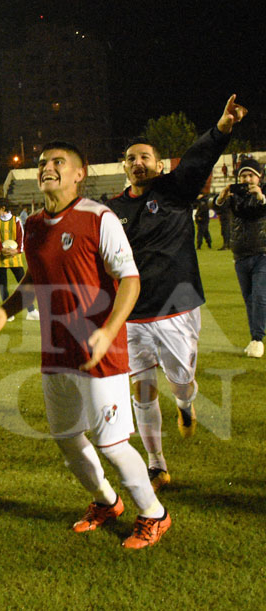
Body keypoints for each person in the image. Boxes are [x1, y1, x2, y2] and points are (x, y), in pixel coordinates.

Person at [0, 141, 170, 549]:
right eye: (44, 163)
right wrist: (4, 311)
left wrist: (109, 329)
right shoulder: (32, 226)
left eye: (58, 162)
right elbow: (35, 279)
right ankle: (106, 502)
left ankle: (154, 513)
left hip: (102, 351)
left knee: (113, 444)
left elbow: (130, 280)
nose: (48, 168)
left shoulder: (99, 218)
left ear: (79, 173)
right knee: (67, 440)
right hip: (56, 351)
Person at [106, 95, 245, 490]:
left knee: (181, 381)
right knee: (142, 389)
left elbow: (199, 158)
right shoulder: (111, 209)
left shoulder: (174, 191)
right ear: (124, 167)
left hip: (177, 310)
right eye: (131, 158)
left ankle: (185, 404)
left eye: (145, 157)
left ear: (160, 164)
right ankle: (155, 462)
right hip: (133, 315)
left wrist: (221, 129)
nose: (138, 163)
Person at [215, 157, 266, 358]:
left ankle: (257, 340)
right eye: (243, 175)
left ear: (259, 177)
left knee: (260, 296)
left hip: (263, 253)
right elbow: (213, 206)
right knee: (250, 300)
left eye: (250, 175)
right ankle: (254, 339)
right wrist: (221, 197)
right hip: (240, 256)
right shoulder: (234, 198)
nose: (246, 179)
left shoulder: (263, 193)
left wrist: (261, 197)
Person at [0, 199, 37, 321]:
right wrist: (2, 249)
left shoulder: (16, 220)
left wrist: (17, 251)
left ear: (3, 208)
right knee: (3, 285)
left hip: (15, 256)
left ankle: (31, 311)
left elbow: (21, 237)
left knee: (23, 283)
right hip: (0, 256)